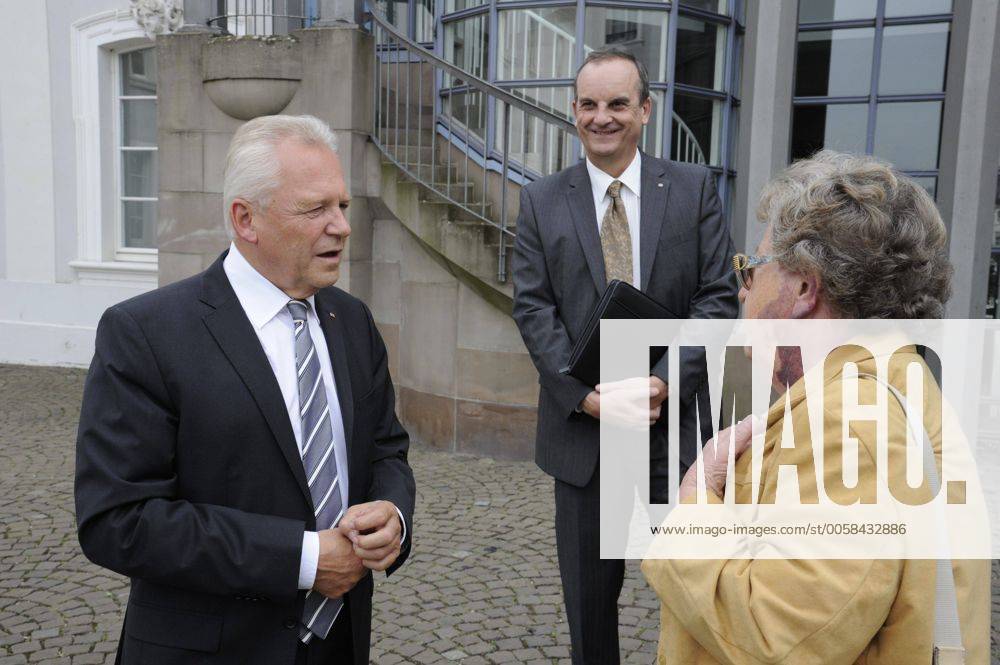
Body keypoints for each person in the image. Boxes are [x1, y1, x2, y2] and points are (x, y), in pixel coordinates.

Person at [74, 115, 415, 665]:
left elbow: (385, 449)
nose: (342, 227)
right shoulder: (146, 332)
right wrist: (304, 559)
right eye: (315, 209)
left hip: (339, 644)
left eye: (343, 206)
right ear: (246, 219)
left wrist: (392, 515)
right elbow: (118, 521)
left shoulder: (351, 320)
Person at [641, 150, 990, 663]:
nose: (742, 292)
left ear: (803, 287)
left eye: (749, 268)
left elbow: (775, 637)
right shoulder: (894, 378)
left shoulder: (848, 420)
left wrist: (694, 502)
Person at [511, 47, 739, 663]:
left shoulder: (693, 190)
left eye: (617, 103)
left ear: (645, 109)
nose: (601, 117)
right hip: (584, 439)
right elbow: (534, 311)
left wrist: (662, 384)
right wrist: (586, 399)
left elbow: (718, 300)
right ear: (574, 111)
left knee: (697, 596)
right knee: (589, 609)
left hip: (676, 433)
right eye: (588, 104)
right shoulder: (541, 200)